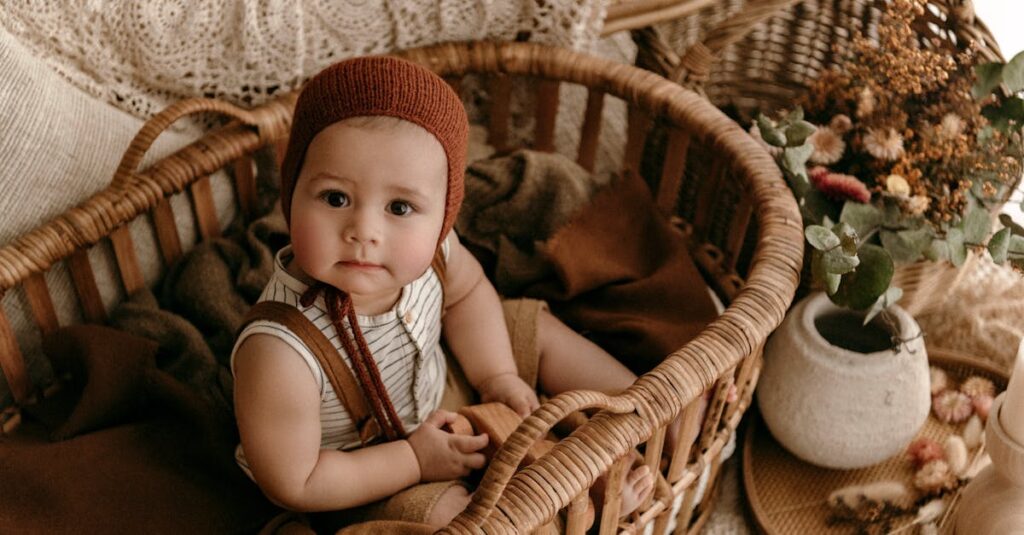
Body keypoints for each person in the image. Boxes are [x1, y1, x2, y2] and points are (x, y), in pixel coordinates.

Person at [231, 55, 653, 529]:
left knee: (528, 324)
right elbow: (295, 481)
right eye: (335, 198)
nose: (364, 230)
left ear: (443, 218)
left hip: (440, 379)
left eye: (400, 206)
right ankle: (576, 510)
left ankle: (642, 413)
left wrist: (496, 375)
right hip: (361, 471)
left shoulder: (437, 251)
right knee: (455, 518)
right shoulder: (279, 351)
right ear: (291, 195)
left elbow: (469, 294)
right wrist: (413, 460)